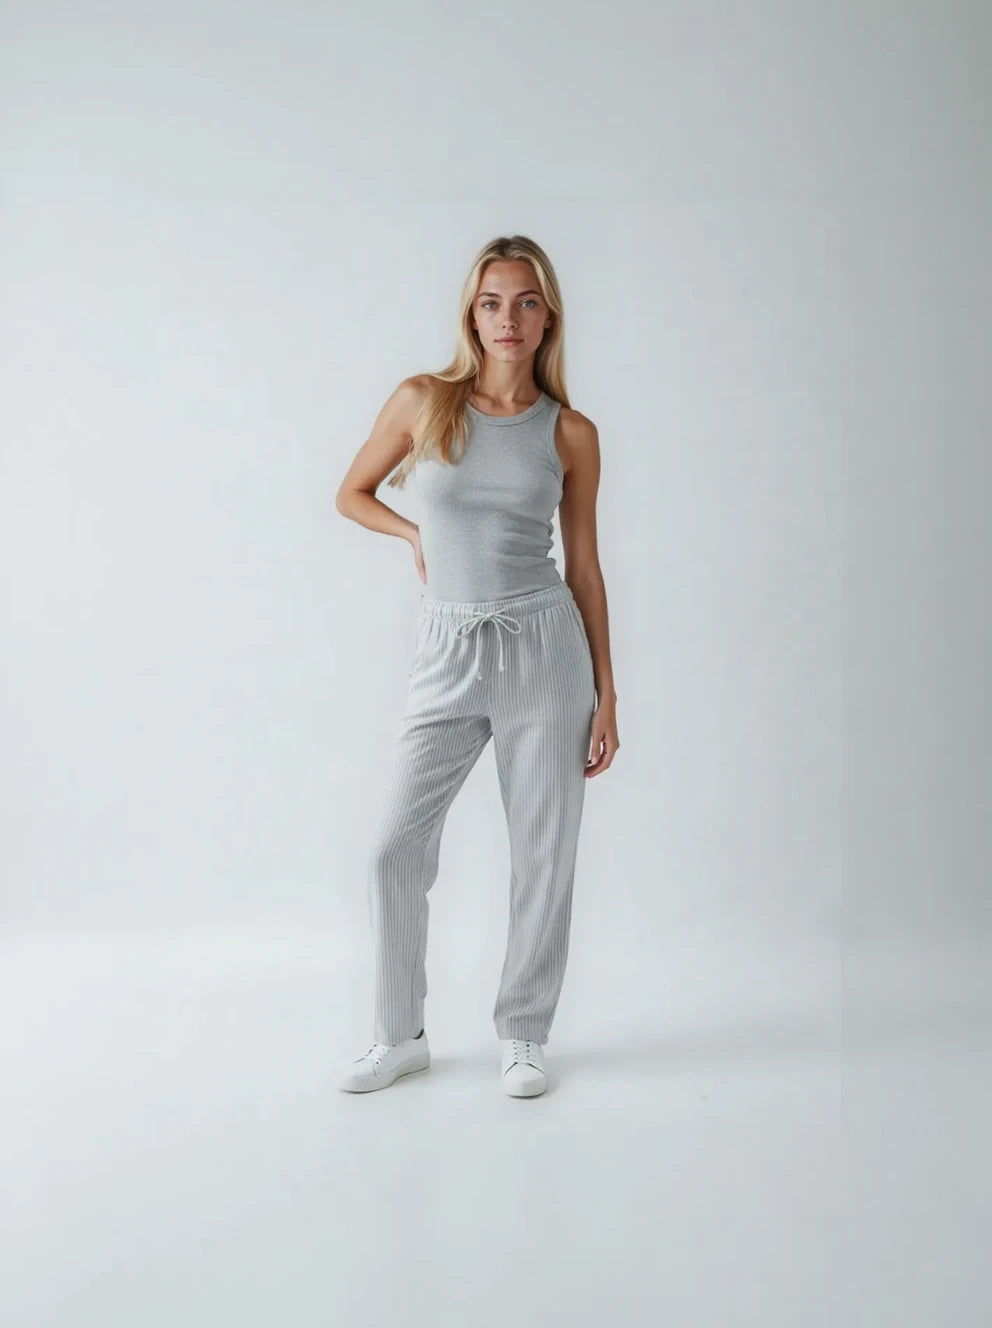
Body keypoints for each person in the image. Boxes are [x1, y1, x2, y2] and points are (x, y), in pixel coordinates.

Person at [334, 235, 619, 1097]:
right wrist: (417, 533)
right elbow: (352, 492)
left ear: (548, 317)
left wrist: (607, 692)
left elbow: (586, 566)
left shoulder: (569, 432)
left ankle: (524, 1032)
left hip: (544, 646)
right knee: (393, 848)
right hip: (449, 647)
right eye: (493, 302)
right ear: (472, 312)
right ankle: (398, 1032)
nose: (509, 319)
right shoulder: (428, 400)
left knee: (544, 851)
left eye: (526, 302)